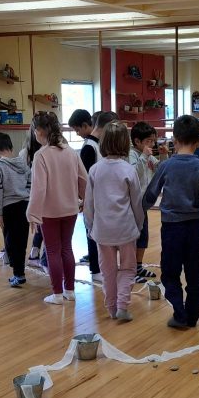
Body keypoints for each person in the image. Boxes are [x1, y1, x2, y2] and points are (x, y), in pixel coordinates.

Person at [143, 115, 199, 329]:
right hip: (194, 227)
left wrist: (140, 210)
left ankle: (179, 313)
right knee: (195, 274)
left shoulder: (166, 166)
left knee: (170, 272)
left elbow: (151, 194)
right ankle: (192, 316)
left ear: (174, 140)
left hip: (171, 228)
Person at [84, 123, 145, 321]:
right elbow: (137, 203)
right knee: (128, 268)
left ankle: (111, 308)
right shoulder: (128, 169)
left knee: (107, 271)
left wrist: (90, 226)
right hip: (125, 229)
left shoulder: (95, 170)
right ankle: (122, 306)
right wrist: (139, 224)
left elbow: (88, 203)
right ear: (125, 143)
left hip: (102, 231)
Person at [27, 112, 88, 304]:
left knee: (53, 251)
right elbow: (84, 179)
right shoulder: (71, 152)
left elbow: (38, 189)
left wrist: (32, 214)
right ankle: (69, 291)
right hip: (70, 209)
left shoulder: (41, 155)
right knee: (66, 248)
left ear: (39, 131)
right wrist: (85, 200)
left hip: (50, 212)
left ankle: (57, 294)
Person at [73, 110, 117, 281]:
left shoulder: (100, 145)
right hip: (93, 200)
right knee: (92, 233)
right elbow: (85, 179)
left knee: (103, 234)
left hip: (104, 198)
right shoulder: (89, 147)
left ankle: (103, 265)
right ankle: (96, 269)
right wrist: (85, 201)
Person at [0, 132, 31, 288]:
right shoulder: (23, 163)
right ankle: (19, 272)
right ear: (11, 147)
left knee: (10, 242)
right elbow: (30, 183)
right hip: (25, 206)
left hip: (9, 208)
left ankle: (18, 274)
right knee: (21, 241)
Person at [129, 121, 158, 282]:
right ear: (137, 141)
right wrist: (145, 156)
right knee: (133, 237)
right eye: (148, 141)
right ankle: (131, 270)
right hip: (132, 204)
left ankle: (138, 266)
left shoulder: (148, 155)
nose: (152, 144)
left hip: (143, 204)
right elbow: (134, 173)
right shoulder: (131, 154)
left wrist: (164, 155)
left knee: (143, 236)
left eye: (153, 141)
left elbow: (160, 170)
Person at [21, 120, 47, 269]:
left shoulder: (44, 152)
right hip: (35, 195)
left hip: (38, 195)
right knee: (41, 226)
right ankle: (39, 257)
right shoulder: (29, 153)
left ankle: (36, 254)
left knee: (42, 226)